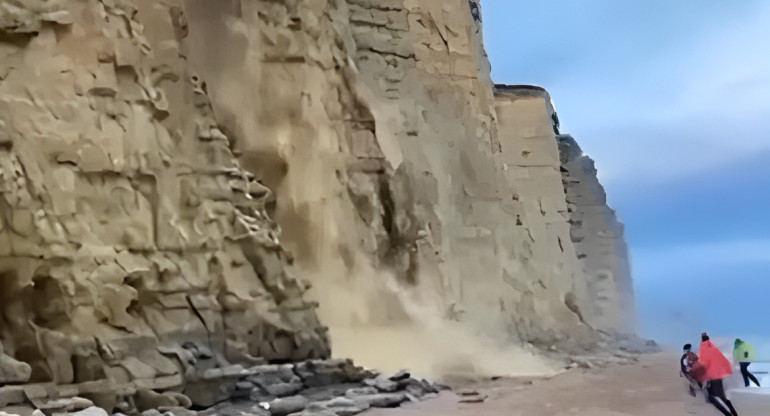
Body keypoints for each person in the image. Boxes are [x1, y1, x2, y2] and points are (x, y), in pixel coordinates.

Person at [693, 333, 739, 416]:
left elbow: (703, 362)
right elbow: (722, 360)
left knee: (713, 397)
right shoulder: (713, 348)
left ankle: (728, 414)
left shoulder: (704, 348)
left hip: (713, 376)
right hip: (718, 375)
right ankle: (734, 414)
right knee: (720, 396)